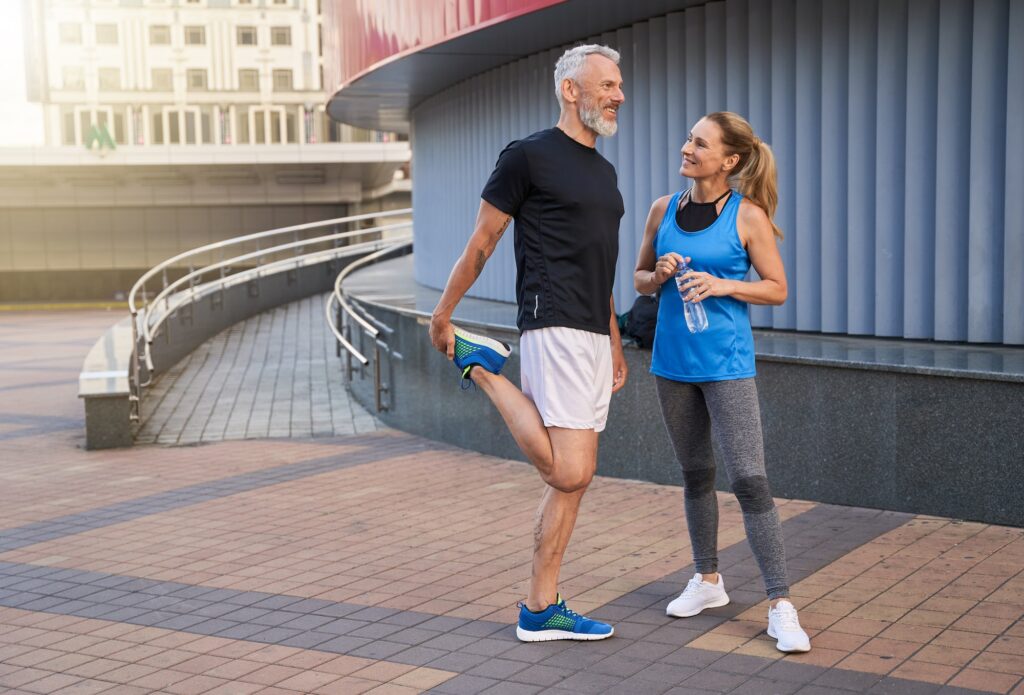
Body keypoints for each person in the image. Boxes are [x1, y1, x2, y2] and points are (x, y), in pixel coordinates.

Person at [428, 44, 628, 642]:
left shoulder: (604, 170)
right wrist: (445, 315)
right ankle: (482, 367)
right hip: (553, 321)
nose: (619, 94)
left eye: (620, 85)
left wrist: (614, 339)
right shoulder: (528, 156)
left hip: (592, 329)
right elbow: (483, 240)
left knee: (576, 478)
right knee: (569, 470)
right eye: (607, 84)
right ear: (572, 90)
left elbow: (602, 263)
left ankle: (541, 607)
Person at [632, 111, 811, 653]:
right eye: (688, 137)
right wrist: (658, 274)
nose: (687, 147)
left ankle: (781, 603)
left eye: (699, 142)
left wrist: (723, 284)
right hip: (672, 363)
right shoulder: (663, 209)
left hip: (727, 365)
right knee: (695, 474)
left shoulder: (746, 215)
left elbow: (777, 288)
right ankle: (708, 581)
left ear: (729, 160)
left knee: (751, 479)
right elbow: (639, 281)